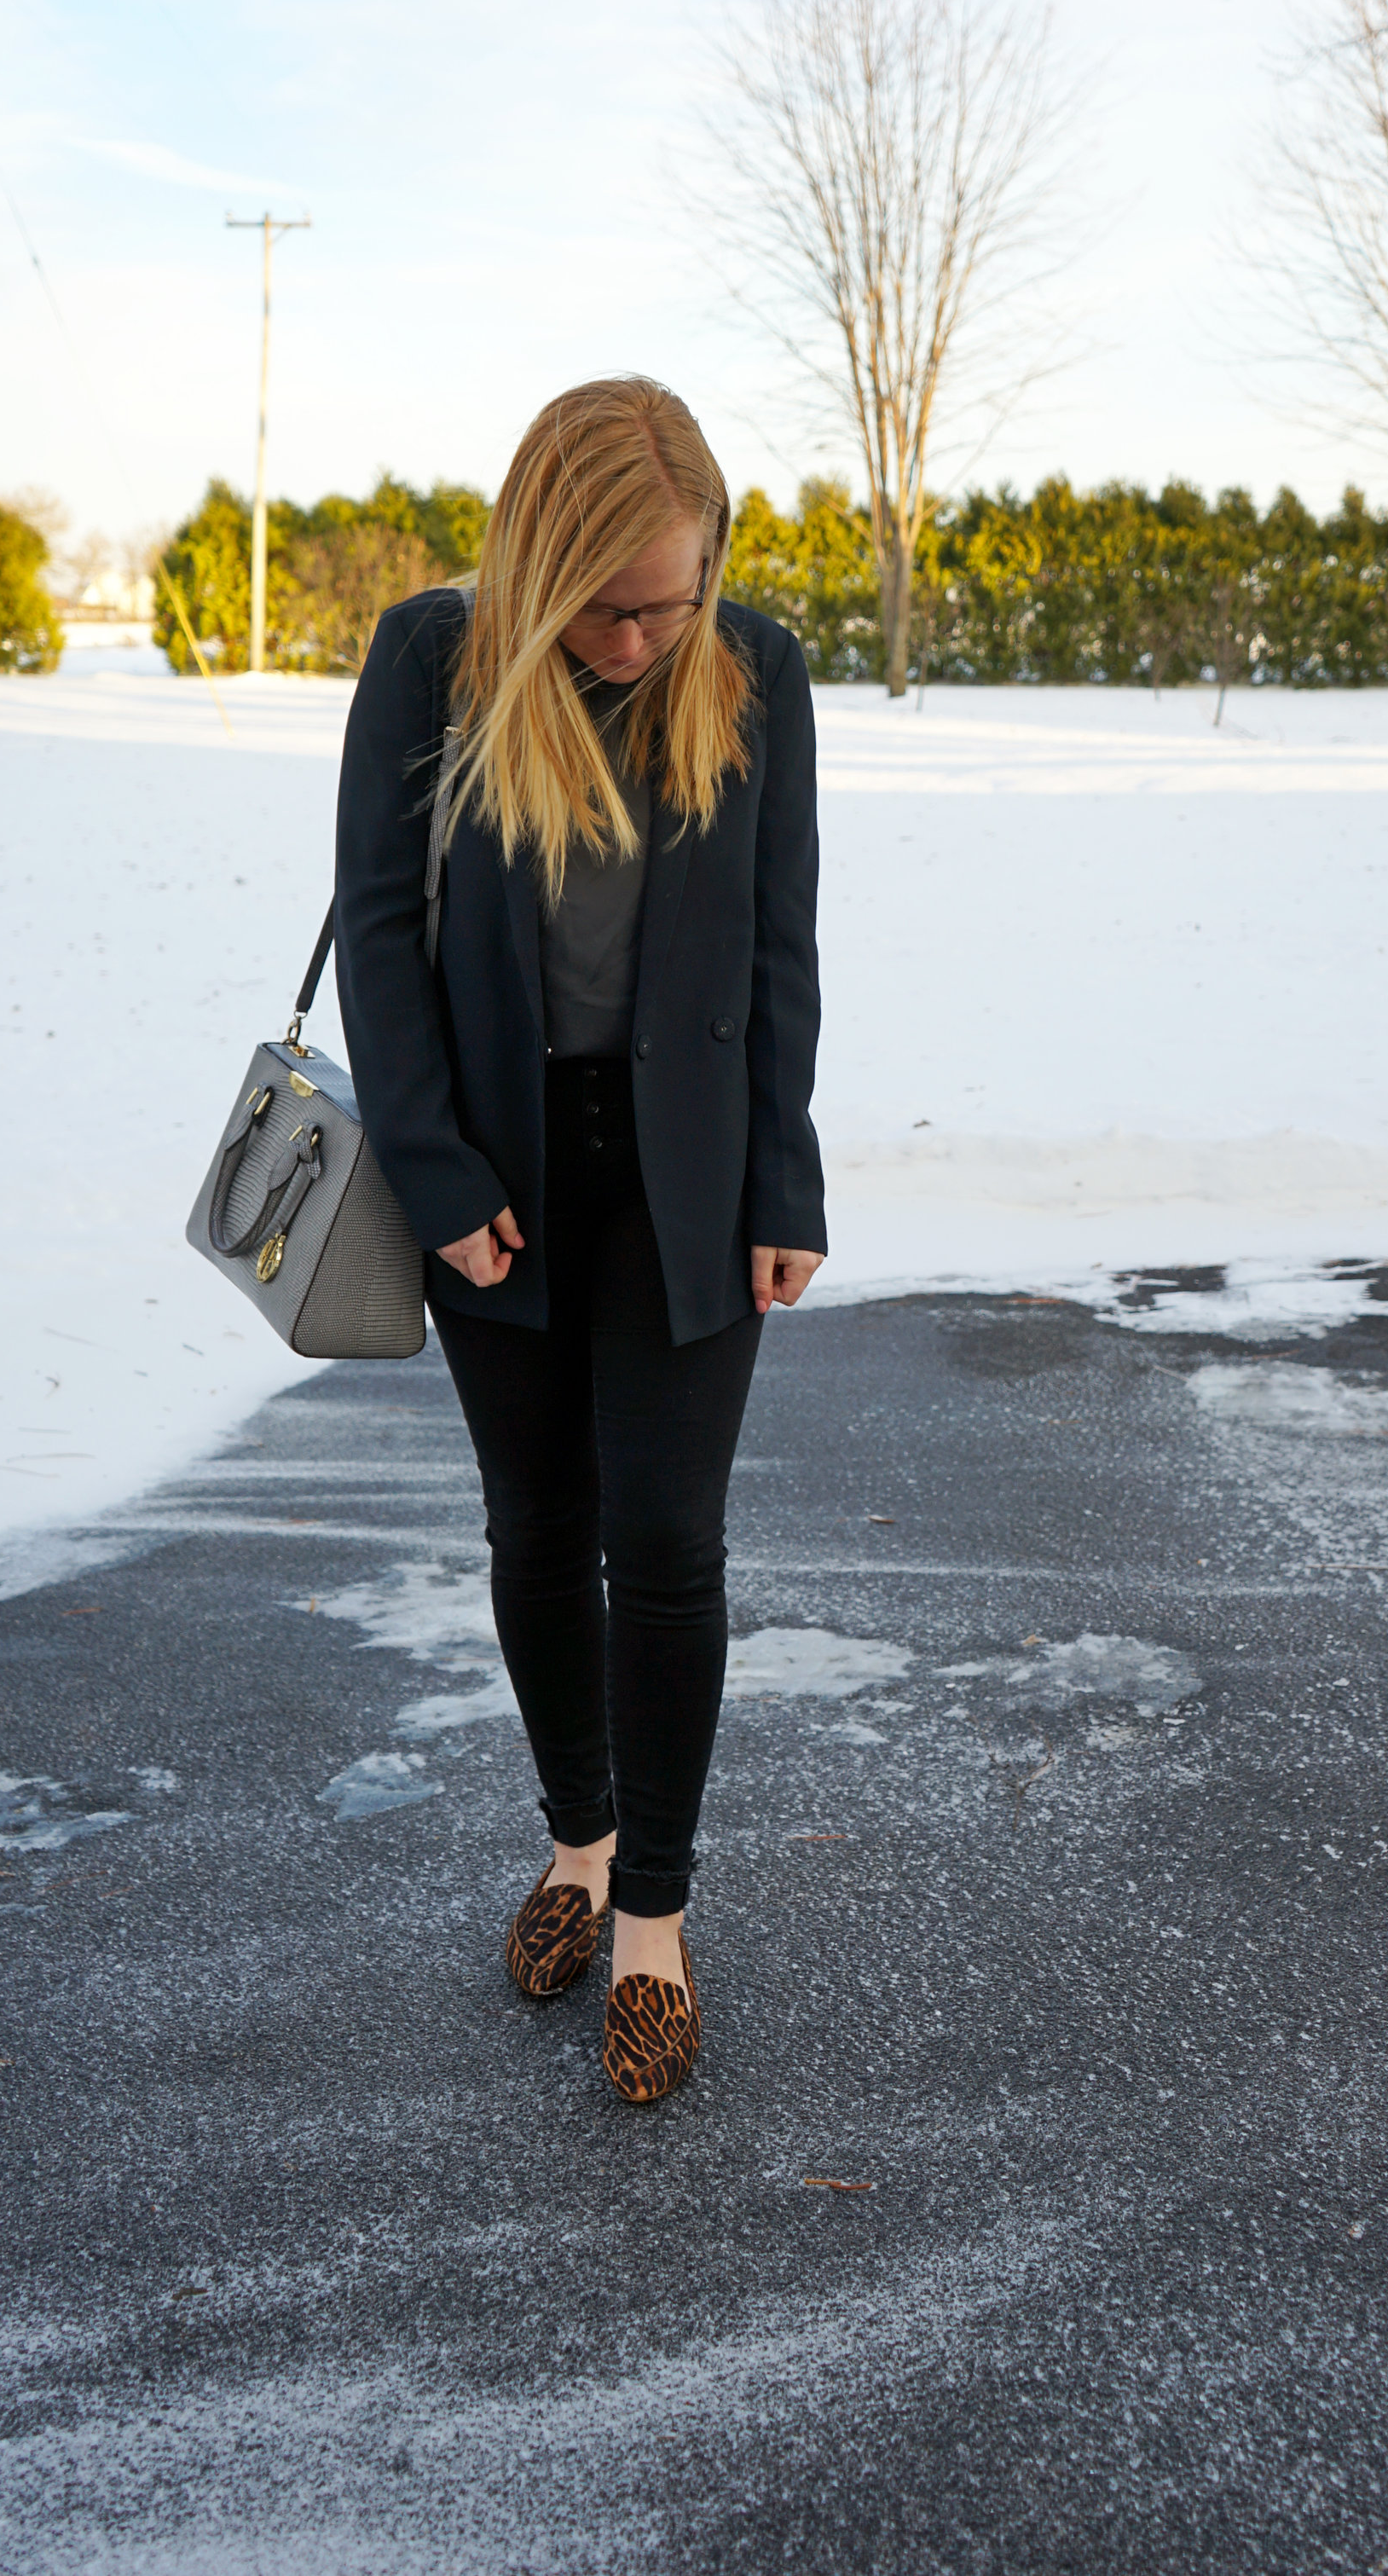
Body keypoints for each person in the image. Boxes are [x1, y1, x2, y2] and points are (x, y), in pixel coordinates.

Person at [333, 377, 825, 2104]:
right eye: (602, 605)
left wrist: (785, 1184)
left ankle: (654, 1926)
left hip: (684, 1172)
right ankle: (576, 1845)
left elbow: (780, 952)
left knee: (666, 1541)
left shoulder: (752, 669)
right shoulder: (432, 662)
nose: (634, 636)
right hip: (501, 1172)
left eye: (664, 600)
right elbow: (383, 939)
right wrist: (434, 1169)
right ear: (537, 570)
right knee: (539, 1527)